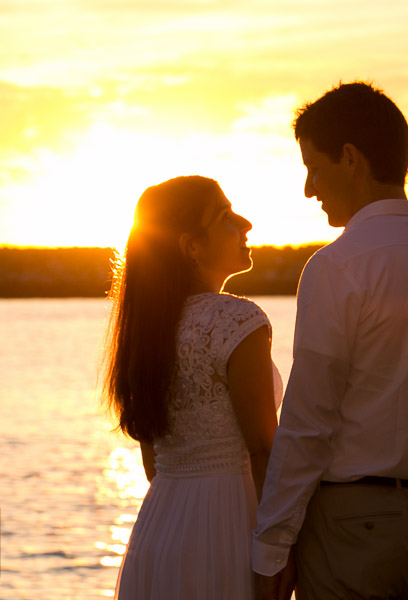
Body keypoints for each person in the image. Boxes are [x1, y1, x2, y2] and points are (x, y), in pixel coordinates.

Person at [253, 82, 408, 599]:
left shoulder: (338, 267)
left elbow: (309, 420)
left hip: (353, 526)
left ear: (350, 158)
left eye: (313, 167)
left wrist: (272, 545)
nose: (310, 188)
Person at [103, 176, 289, 599]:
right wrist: (277, 550)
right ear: (191, 246)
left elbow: (154, 463)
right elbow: (263, 448)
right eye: (225, 216)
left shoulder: (146, 333)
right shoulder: (237, 321)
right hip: (230, 526)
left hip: (160, 529)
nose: (246, 224)